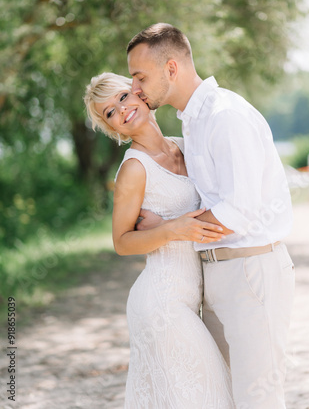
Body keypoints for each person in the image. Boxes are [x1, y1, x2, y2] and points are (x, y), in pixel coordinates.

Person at [126, 23, 295, 409]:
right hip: (215, 272)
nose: (135, 88)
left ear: (171, 68)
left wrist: (170, 231)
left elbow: (241, 209)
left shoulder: (225, 116)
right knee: (227, 396)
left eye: (140, 77)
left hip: (251, 271)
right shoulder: (193, 122)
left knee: (258, 397)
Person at [84, 72, 235, 409]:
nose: (121, 110)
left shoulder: (184, 146)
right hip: (161, 303)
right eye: (109, 112)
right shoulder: (134, 169)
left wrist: (168, 223)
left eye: (123, 97)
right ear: (113, 129)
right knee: (210, 395)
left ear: (140, 95)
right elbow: (122, 242)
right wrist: (170, 229)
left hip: (195, 298)